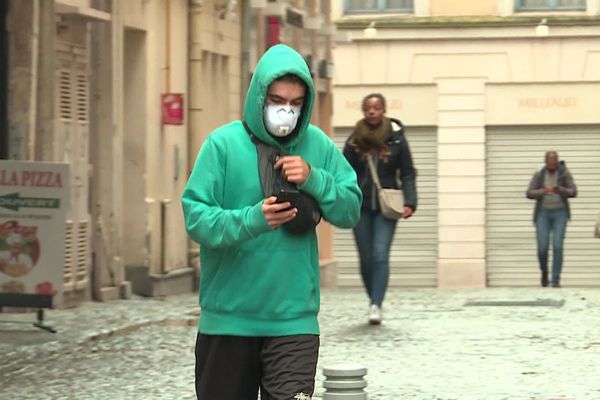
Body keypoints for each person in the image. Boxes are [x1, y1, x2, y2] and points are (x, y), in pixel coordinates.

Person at [182, 44, 361, 400]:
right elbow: (196, 218)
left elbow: (351, 209)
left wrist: (314, 178)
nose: (286, 110)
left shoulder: (319, 146)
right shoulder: (222, 145)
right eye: (278, 100)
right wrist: (253, 219)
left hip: (293, 321)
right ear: (259, 97)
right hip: (228, 321)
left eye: (296, 104)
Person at [343, 93, 417, 325]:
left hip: (387, 206)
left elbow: (407, 172)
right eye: (367, 108)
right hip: (360, 205)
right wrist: (343, 199)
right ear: (363, 111)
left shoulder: (396, 139)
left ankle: (376, 304)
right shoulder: (355, 140)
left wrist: (410, 201)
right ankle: (373, 298)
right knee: (366, 258)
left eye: (376, 108)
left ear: (384, 109)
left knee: (379, 253)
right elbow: (343, 172)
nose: (372, 112)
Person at [526, 151, 577, 288]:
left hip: (560, 213)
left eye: (554, 162)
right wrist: (544, 191)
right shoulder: (540, 173)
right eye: (549, 162)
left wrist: (559, 189)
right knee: (542, 247)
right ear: (545, 162)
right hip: (543, 213)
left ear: (557, 161)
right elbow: (529, 193)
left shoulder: (564, 173)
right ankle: (544, 273)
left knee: (557, 245)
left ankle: (555, 279)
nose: (552, 165)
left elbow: (573, 191)